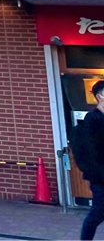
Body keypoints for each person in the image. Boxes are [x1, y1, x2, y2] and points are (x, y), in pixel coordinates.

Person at [73, 79, 104, 239]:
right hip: (100, 177)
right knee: (98, 213)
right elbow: (92, 151)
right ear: (101, 96)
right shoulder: (92, 119)